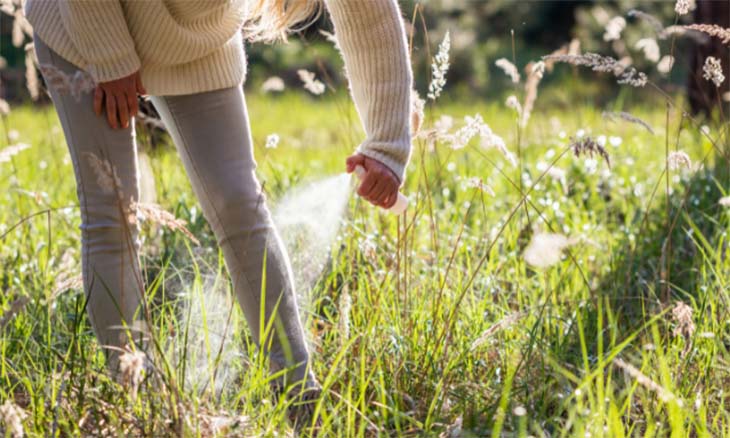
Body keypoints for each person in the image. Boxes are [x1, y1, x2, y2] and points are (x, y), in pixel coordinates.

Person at [23, 0, 412, 422]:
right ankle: (136, 405)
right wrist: (109, 56)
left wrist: (387, 144)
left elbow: (368, 14)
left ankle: (299, 395)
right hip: (85, 25)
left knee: (239, 202)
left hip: (195, 36)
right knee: (113, 214)